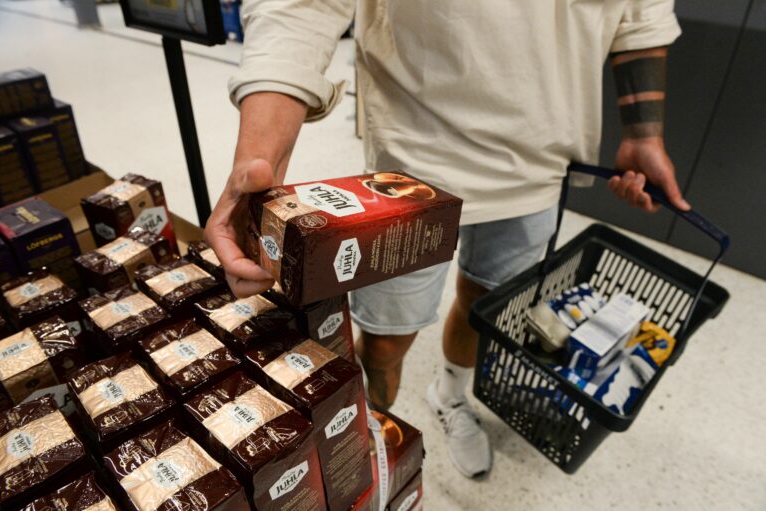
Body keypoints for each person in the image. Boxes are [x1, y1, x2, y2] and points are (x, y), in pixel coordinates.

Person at [205, 0, 688, 479]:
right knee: (386, 339)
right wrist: (257, 162)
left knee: (484, 306)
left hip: (542, 166)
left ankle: (451, 393)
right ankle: (372, 432)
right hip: (413, 165)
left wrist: (644, 136)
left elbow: (640, 14)